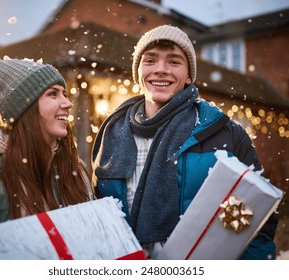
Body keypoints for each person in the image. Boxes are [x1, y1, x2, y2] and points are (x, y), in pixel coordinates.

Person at [92, 25, 278, 259]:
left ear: (189, 75)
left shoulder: (224, 132)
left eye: (174, 62)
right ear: (137, 71)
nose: (160, 70)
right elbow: (99, 215)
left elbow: (258, 220)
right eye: (150, 60)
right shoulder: (110, 133)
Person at [0, 53, 94, 231]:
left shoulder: (74, 171)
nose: (67, 103)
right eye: (53, 94)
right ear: (24, 109)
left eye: (64, 93)